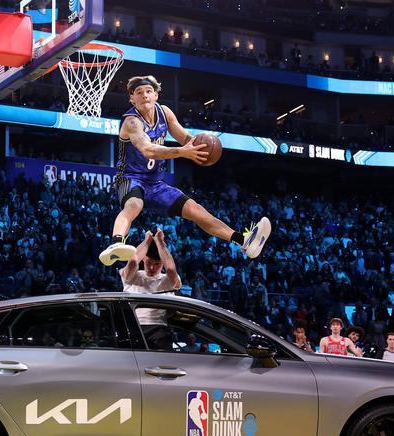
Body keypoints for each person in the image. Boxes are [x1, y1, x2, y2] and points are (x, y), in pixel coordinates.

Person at [99, 75, 271, 266]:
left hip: (156, 184)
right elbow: (148, 150)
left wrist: (201, 147)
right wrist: (182, 152)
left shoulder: (165, 112)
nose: (144, 95)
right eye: (139, 93)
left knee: (196, 210)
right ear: (132, 99)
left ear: (156, 95)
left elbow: (186, 139)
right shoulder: (132, 122)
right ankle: (115, 244)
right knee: (134, 205)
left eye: (148, 91)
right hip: (131, 178)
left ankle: (243, 241)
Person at [120, 229, 180, 325]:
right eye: (149, 263)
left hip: (158, 328)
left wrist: (159, 241)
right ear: (143, 258)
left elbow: (171, 269)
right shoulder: (132, 276)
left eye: (157, 264)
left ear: (162, 263)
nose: (152, 267)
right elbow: (133, 262)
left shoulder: (167, 280)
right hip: (132, 327)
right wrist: (147, 240)